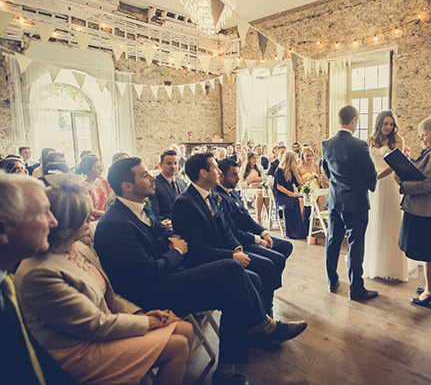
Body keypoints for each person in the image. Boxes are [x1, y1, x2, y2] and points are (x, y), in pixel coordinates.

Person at [94, 157, 306, 385]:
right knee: (234, 266)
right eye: (144, 175)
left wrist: (172, 242)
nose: (152, 177)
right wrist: (175, 252)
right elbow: (148, 273)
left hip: (169, 276)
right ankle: (265, 325)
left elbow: (164, 234)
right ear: (127, 186)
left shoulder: (139, 208)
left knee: (236, 293)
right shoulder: (114, 224)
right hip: (151, 294)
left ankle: (225, 372)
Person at [15, 175, 192, 385]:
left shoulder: (78, 247)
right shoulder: (40, 272)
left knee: (185, 329)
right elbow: (95, 325)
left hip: (102, 327)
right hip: (75, 351)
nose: (91, 219)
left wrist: (139, 313)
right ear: (64, 224)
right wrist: (150, 322)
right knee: (178, 345)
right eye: (84, 217)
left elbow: (109, 293)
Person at [172, 153, 280, 314]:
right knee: (255, 277)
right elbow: (197, 249)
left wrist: (237, 248)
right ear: (203, 173)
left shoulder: (212, 196)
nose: (219, 172)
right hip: (206, 261)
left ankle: (263, 316)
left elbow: (226, 229)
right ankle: (261, 322)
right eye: (215, 168)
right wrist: (231, 256)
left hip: (226, 252)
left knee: (268, 265)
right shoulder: (185, 203)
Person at [0, 173, 80, 385]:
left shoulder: (5, 279)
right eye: (44, 213)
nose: (54, 222)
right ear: (3, 228)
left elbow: (33, 355)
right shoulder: (34, 272)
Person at [395, 116, 431, 308]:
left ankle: (430, 292)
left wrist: (402, 183)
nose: (421, 138)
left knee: (430, 253)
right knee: (430, 252)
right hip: (427, 209)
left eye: (425, 134)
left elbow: (427, 184)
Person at [214, 158, 293, 302]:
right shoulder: (218, 196)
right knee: (275, 259)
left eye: (238, 174)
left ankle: (268, 288)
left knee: (286, 246)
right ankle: (265, 300)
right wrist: (258, 240)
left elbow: (247, 218)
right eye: (233, 175)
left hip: (250, 235)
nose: (238, 178)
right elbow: (232, 230)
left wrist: (264, 233)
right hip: (241, 241)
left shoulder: (231, 192)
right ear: (221, 176)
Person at [322, 105, 378, 301]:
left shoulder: (327, 143)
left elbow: (326, 170)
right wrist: (369, 185)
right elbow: (370, 173)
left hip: (335, 200)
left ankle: (332, 281)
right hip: (355, 202)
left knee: (332, 241)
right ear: (354, 119)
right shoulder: (360, 145)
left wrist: (338, 184)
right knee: (355, 245)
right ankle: (356, 289)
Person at [364, 110, 410, 281]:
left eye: (391, 124)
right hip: (373, 183)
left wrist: (377, 176)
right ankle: (374, 263)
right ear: (379, 123)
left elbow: (395, 163)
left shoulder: (398, 140)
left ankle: (392, 267)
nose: (388, 127)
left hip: (388, 181)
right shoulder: (370, 140)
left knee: (390, 221)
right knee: (374, 220)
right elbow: (367, 161)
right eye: (385, 123)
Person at [274, 151, 306, 240]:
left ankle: (300, 225)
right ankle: (296, 228)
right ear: (289, 160)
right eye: (295, 160)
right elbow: (279, 186)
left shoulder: (292, 171)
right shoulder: (279, 170)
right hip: (283, 196)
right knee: (298, 201)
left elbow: (300, 184)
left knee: (303, 200)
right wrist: (292, 194)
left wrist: (295, 171)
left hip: (291, 194)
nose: (296, 162)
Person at [151, 149, 187, 223]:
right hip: (168, 226)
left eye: (175, 163)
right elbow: (154, 213)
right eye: (169, 163)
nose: (173, 166)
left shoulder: (181, 182)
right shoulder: (154, 184)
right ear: (161, 165)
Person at [76, 155, 113, 221]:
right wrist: (110, 214)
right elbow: (91, 211)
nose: (101, 169)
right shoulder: (83, 187)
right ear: (88, 170)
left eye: (101, 166)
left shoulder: (105, 183)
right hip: (94, 220)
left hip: (108, 216)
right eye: (97, 167)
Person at [240, 151, 267, 225]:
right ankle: (258, 217)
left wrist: (260, 179)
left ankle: (268, 215)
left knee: (265, 193)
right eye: (253, 158)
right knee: (260, 193)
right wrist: (250, 181)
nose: (255, 160)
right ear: (249, 159)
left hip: (259, 187)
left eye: (256, 158)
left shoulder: (259, 168)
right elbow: (240, 184)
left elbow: (265, 180)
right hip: (248, 189)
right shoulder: (243, 169)